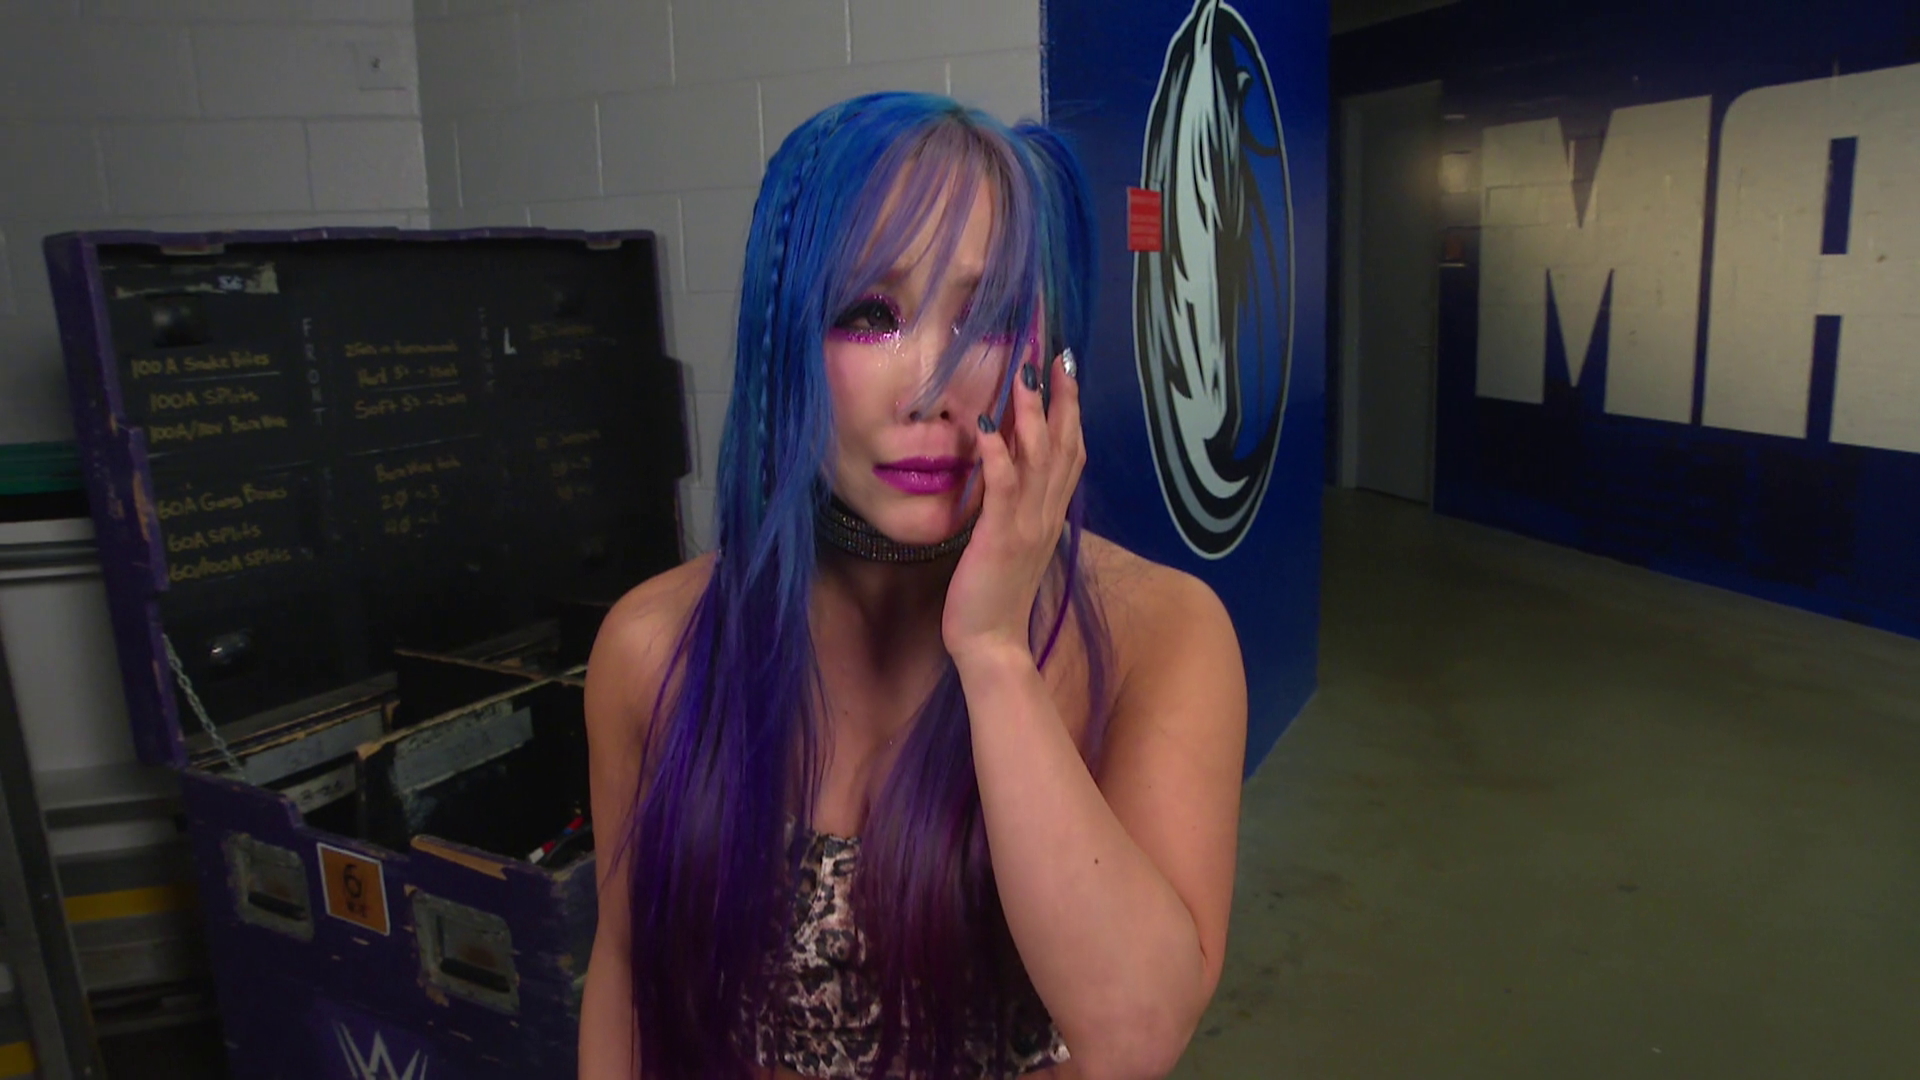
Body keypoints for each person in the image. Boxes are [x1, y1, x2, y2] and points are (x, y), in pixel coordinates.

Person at [578, 92, 1247, 1080]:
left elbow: (1137, 1033)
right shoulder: (654, 647)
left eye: (988, 318)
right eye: (871, 314)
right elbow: (625, 974)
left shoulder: (1162, 635)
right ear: (781, 342)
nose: (934, 386)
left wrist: (995, 653)